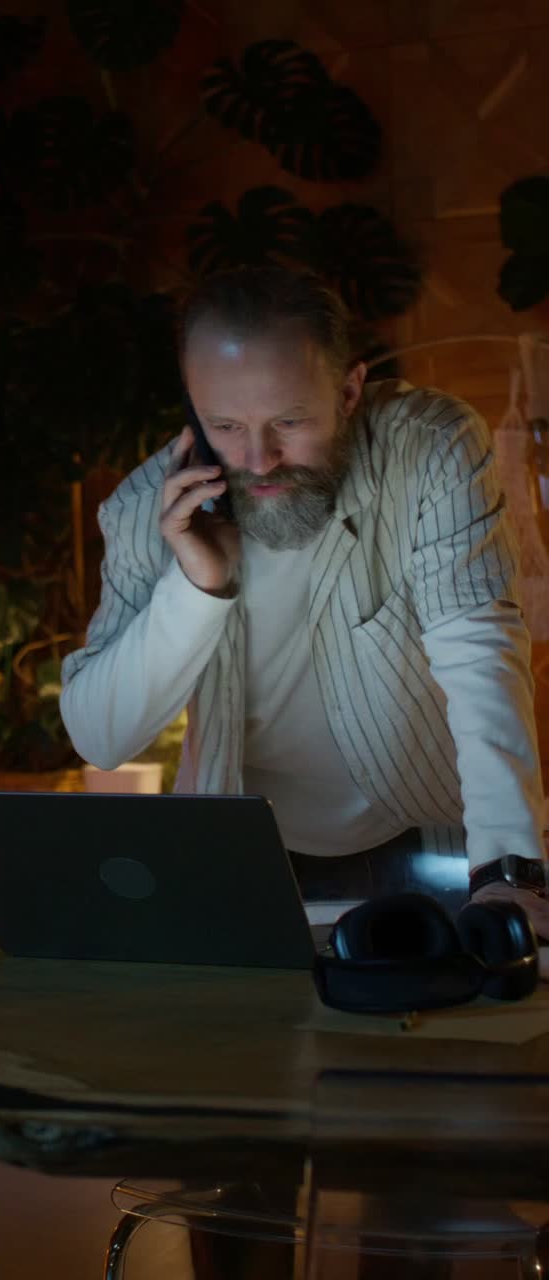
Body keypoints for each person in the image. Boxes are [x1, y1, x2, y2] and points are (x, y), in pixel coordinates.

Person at [60, 265, 549, 937]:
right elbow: (100, 737)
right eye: (224, 424)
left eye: (288, 421)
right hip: (241, 858)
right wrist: (196, 587)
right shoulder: (145, 508)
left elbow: (480, 658)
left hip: (431, 845)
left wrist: (509, 874)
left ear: (349, 389)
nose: (258, 459)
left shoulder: (432, 449)